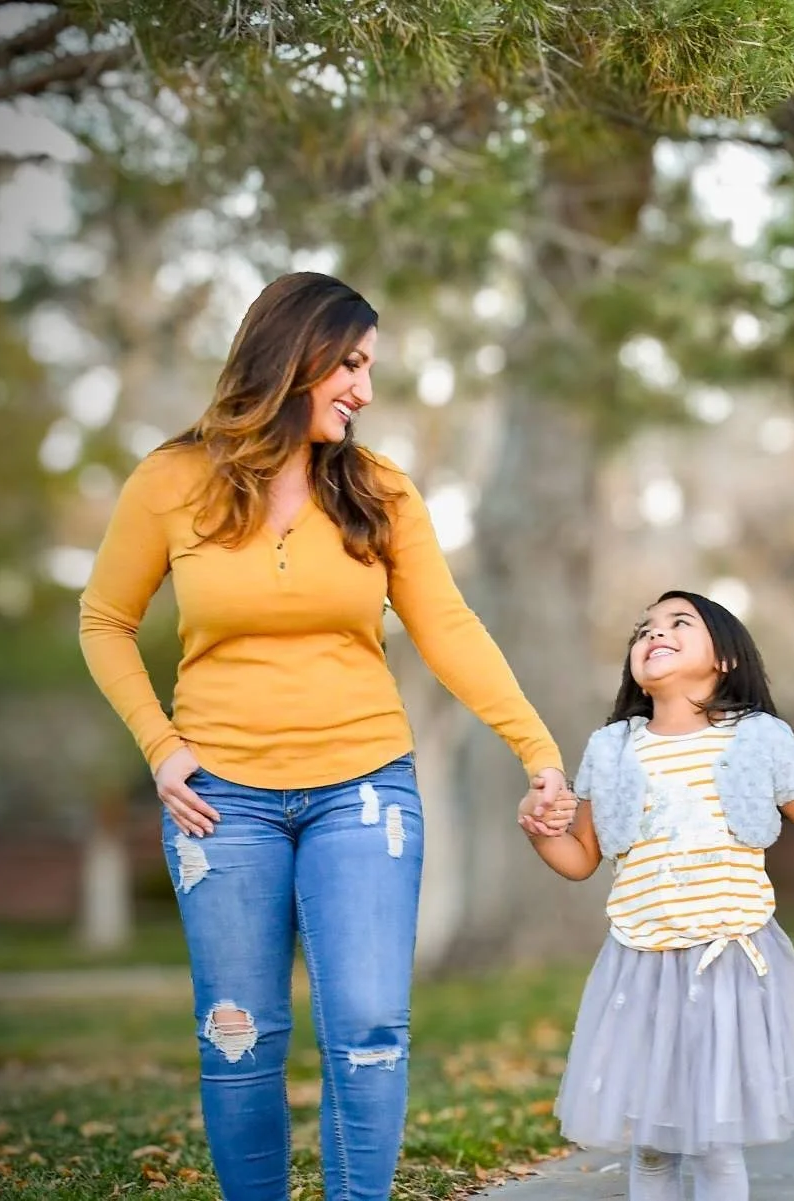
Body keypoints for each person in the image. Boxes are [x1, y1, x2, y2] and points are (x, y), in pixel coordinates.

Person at [78, 272, 574, 1201]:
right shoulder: (171, 481)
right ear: (290, 354)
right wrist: (160, 745)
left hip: (364, 789)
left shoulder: (378, 491)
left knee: (372, 1026)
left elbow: (449, 629)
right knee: (239, 1031)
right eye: (349, 364)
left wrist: (536, 748)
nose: (364, 389)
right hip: (217, 799)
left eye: (369, 367)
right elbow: (102, 619)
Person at [518, 590, 794, 1201]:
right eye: (644, 629)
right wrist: (537, 830)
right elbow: (581, 858)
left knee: (717, 1143)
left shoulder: (757, 738)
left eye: (678, 624)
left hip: (728, 963)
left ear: (724, 658)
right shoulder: (611, 748)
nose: (655, 634)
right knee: (651, 1143)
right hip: (640, 965)